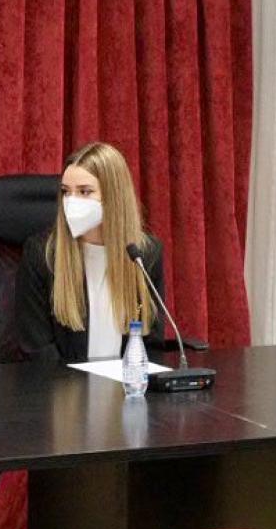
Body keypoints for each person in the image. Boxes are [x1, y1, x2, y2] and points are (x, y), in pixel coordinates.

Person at [16, 142, 165, 363]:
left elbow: (151, 342)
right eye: (66, 192)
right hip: (63, 391)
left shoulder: (145, 255)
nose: (71, 202)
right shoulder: (42, 255)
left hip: (128, 389)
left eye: (85, 192)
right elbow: (38, 352)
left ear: (114, 197)